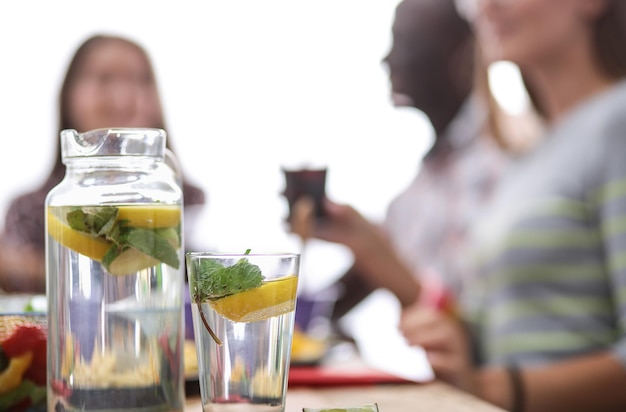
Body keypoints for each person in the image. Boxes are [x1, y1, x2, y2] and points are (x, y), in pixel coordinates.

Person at [399, 0, 626, 411]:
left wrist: (494, 389)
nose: (488, 6)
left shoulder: (618, 124)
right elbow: (498, 338)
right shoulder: (529, 157)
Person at [298, 0, 526, 323]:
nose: (387, 58)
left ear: (458, 54)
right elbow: (345, 293)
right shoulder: (423, 185)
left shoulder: (506, 161)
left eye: (404, 42)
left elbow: (483, 330)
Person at [0, 34, 205, 293]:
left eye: (139, 79)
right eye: (104, 78)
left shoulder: (190, 202)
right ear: (69, 94)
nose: (122, 97)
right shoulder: (33, 210)